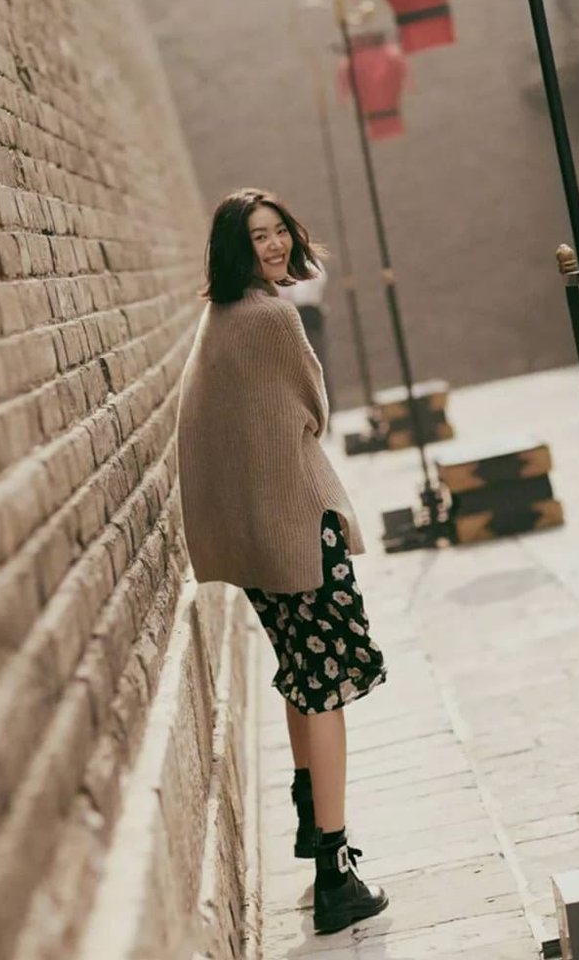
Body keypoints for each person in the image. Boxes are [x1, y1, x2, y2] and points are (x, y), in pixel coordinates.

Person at [176, 188, 388, 934]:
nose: (272, 246)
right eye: (257, 237)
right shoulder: (271, 318)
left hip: (260, 542)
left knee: (302, 674)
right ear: (235, 249)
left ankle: (309, 823)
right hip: (299, 532)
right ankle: (335, 871)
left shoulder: (220, 318)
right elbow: (313, 410)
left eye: (277, 233)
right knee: (326, 684)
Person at [278, 261, 336, 413]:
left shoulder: (307, 262)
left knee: (314, 365)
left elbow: (307, 288)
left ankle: (323, 410)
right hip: (289, 317)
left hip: (306, 315)